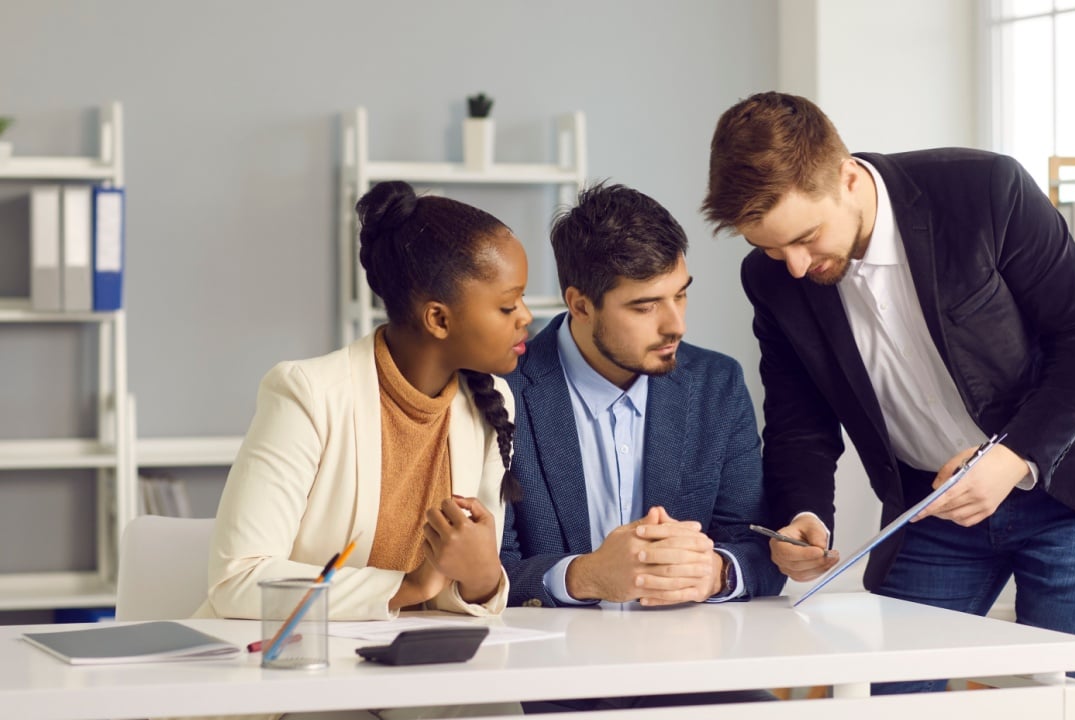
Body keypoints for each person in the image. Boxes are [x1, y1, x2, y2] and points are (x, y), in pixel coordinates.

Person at [700, 92, 1075, 692]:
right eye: (771, 248)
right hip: (933, 505)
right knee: (891, 697)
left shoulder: (985, 190)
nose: (796, 266)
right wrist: (802, 514)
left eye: (807, 237)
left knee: (1055, 699)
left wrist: (1013, 457)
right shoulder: (772, 280)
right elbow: (798, 417)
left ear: (847, 177)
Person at [199, 180, 531, 719]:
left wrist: (483, 578)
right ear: (438, 318)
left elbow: (467, 593)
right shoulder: (307, 394)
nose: (525, 317)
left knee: (500, 708)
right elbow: (237, 580)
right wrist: (408, 586)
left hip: (416, 677)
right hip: (296, 676)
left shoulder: (492, 405)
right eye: (508, 305)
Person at [500, 183, 785, 711]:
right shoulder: (502, 392)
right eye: (645, 306)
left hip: (690, 673)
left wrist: (716, 571)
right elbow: (484, 574)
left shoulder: (717, 383)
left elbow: (758, 547)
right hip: (546, 680)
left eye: (681, 294)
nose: (676, 324)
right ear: (580, 305)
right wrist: (585, 576)